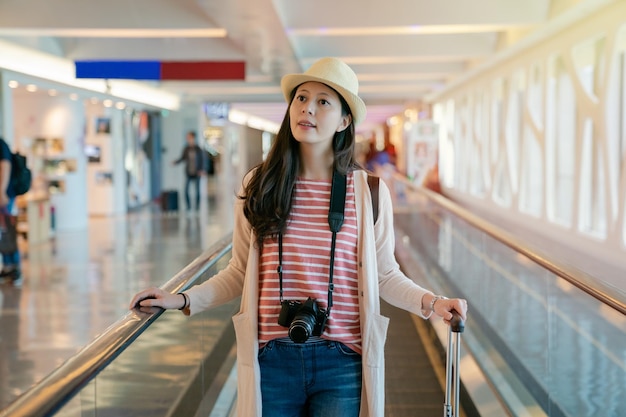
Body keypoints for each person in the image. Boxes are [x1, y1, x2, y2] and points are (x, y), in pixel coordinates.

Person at [130, 57, 468, 417]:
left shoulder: (367, 191)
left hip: (342, 359)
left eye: (323, 101)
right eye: (301, 98)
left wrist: (433, 303)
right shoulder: (260, 185)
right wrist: (181, 299)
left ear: (344, 120)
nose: (307, 108)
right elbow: (239, 272)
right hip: (271, 357)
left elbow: (384, 275)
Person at [0, 137, 21, 282]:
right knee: (4, 230)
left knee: (7, 230)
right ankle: (8, 266)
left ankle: (13, 266)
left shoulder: (1, 145)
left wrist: (1, 192)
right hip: (3, 195)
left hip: (4, 196)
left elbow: (5, 166)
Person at [172, 131, 205, 212]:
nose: (187, 139)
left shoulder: (198, 149)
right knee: (186, 190)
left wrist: (202, 170)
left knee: (197, 191)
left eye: (189, 137)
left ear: (193, 138)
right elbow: (182, 158)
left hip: (197, 172)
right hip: (188, 172)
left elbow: (202, 160)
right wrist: (175, 162)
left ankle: (197, 207)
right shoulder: (186, 149)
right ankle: (188, 207)